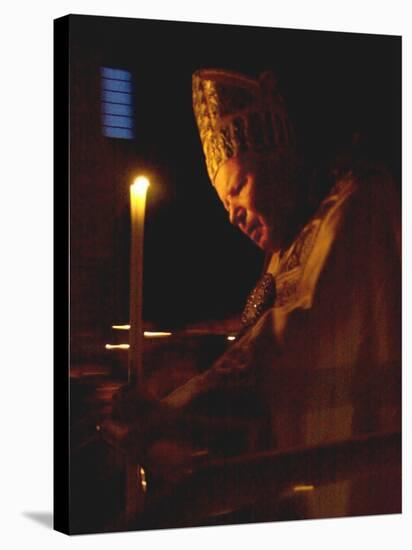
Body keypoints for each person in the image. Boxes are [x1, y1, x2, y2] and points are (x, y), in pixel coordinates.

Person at [113, 68, 401, 521]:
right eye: (225, 205)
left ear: (278, 158)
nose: (234, 216)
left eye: (239, 188)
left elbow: (287, 340)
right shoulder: (285, 248)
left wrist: (172, 408)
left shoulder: (356, 204)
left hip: (369, 481)